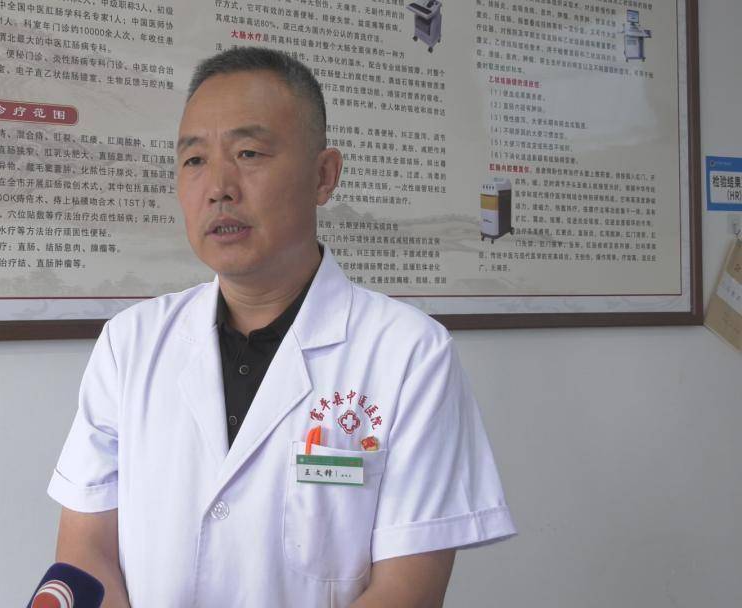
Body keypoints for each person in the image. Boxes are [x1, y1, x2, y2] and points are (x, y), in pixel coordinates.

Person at [47, 47, 516, 607]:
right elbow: (85, 553)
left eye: (248, 153)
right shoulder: (130, 344)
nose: (218, 186)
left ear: (323, 176)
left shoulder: (410, 354)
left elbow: (406, 591)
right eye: (194, 160)